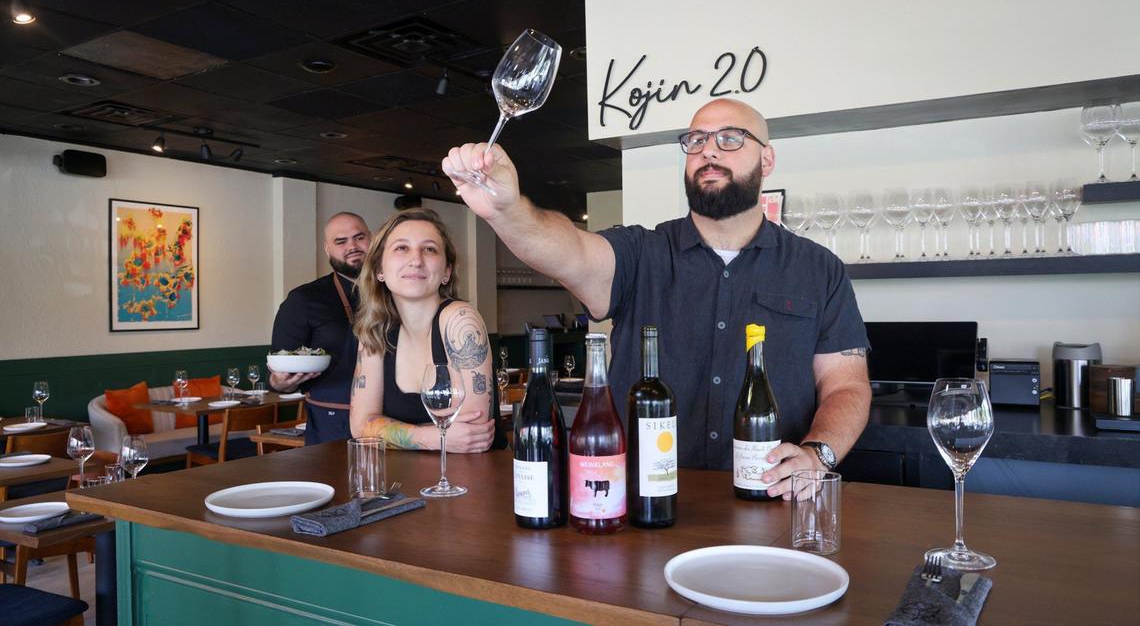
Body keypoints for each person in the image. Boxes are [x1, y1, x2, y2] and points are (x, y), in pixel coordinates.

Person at [442, 98, 871, 499]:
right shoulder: (640, 253)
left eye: (730, 138)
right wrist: (506, 209)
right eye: (696, 141)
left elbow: (847, 385)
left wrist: (819, 454)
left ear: (767, 159)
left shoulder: (819, 269)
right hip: (643, 502)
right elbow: (567, 251)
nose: (709, 151)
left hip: (772, 498)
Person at [348, 208, 498, 453]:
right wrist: (431, 437)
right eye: (401, 248)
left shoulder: (460, 319)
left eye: (429, 249)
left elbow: (473, 433)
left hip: (471, 480)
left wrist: (393, 432)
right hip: (402, 483)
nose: (416, 260)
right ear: (379, 270)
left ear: (447, 272)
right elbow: (361, 426)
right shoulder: (375, 330)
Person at [269, 212, 370, 445]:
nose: (352, 246)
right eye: (341, 241)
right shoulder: (303, 300)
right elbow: (278, 371)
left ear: (372, 240)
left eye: (359, 237)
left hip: (394, 418)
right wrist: (281, 382)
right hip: (332, 422)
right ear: (327, 249)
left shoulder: (398, 291)